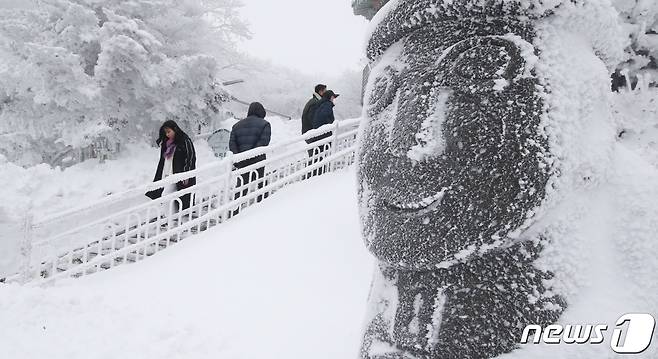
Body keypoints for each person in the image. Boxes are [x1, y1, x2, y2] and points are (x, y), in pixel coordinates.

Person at [229, 102, 272, 214]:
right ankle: (263, 208)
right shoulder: (265, 124)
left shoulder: (236, 126)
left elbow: (232, 144)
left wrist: (239, 158)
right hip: (257, 160)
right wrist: (252, 156)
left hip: (242, 162)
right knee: (261, 183)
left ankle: (234, 211)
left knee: (242, 186)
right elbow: (263, 142)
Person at [146, 120, 197, 210]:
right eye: (166, 133)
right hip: (166, 172)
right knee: (164, 193)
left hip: (179, 172)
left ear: (175, 129)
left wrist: (186, 173)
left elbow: (190, 157)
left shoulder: (185, 141)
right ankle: (168, 213)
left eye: (169, 132)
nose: (167, 135)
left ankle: (177, 213)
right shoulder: (166, 142)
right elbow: (163, 159)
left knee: (180, 195)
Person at [309, 90, 339, 176]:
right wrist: (330, 124)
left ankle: (314, 173)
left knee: (317, 156)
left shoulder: (321, 104)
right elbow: (323, 117)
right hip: (323, 135)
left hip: (318, 134)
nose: (334, 99)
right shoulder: (327, 105)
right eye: (333, 97)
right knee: (321, 155)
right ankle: (318, 174)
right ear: (330, 97)